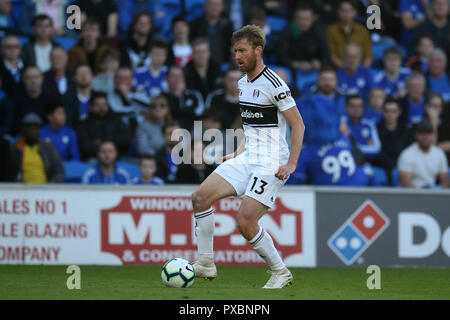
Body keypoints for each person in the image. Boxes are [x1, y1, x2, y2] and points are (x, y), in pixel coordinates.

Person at [190, 25, 305, 289]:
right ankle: (206, 262)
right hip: (248, 157)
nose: (237, 56)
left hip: (270, 163)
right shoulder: (243, 83)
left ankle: (280, 271)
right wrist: (238, 151)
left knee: (245, 222)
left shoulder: (275, 84)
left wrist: (291, 164)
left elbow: (298, 125)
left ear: (258, 50)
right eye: (235, 51)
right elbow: (251, 124)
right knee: (199, 198)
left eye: (242, 51)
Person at [77, 92, 132, 160]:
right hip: (94, 159)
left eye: (104, 105)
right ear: (90, 107)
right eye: (98, 105)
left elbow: (126, 138)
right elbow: (85, 147)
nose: (101, 108)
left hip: (118, 158)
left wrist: (104, 141)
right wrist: (105, 149)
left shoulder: (116, 120)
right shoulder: (83, 124)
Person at [276, 4, 330, 73]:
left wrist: (319, 63)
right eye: (300, 19)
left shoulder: (319, 31)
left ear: (312, 19)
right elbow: (280, 56)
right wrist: (296, 64)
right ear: (295, 19)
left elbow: (326, 55)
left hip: (315, 69)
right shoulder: (287, 31)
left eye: (307, 19)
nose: (303, 22)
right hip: (291, 69)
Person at [14, 112, 65, 183]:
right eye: (29, 127)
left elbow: (59, 172)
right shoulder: (16, 147)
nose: (32, 130)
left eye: (35, 127)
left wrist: (50, 186)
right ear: (23, 129)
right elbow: (9, 173)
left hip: (45, 189)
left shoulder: (48, 147)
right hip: (22, 190)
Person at [398, 120, 449, 188]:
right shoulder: (407, 154)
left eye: (428, 133)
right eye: (422, 134)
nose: (425, 137)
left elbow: (445, 182)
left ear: (434, 135)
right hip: (413, 195)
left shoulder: (439, 153)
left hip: (433, 193)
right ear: (416, 135)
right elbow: (406, 184)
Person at [12, 65, 59, 135]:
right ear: (23, 80)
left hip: (48, 136)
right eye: (29, 78)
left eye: (36, 77)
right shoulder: (16, 99)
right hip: (23, 136)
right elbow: (14, 125)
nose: (33, 81)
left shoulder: (51, 98)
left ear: (42, 78)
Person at [376, 98, 414, 185]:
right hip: (382, 166)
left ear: (399, 112)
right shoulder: (375, 129)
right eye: (387, 111)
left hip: (403, 165)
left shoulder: (406, 130)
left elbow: (410, 151)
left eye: (393, 111)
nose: (390, 114)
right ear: (382, 111)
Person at [326, 0, 372, 68]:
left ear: (354, 12)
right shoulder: (331, 31)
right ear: (338, 12)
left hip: (360, 69)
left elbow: (368, 56)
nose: (346, 13)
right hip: (339, 70)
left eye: (349, 10)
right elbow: (332, 55)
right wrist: (345, 70)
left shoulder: (362, 30)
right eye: (343, 10)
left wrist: (362, 70)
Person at [43, 46, 78, 127]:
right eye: (53, 58)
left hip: (72, 126)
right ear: (50, 60)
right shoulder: (43, 78)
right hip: (49, 126)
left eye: (59, 57)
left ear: (66, 59)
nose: (56, 60)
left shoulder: (74, 78)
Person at [189, 0, 234, 64]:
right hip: (200, 64)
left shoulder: (228, 25)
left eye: (218, 5)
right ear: (205, 6)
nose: (214, 7)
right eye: (212, 4)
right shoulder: (195, 24)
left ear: (223, 7)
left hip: (223, 63)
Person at [164, 65, 205, 131]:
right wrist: (177, 95)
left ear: (184, 78)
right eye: (173, 76)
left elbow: (199, 114)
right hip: (169, 131)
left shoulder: (194, 95)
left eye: (180, 76)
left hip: (191, 130)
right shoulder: (162, 97)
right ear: (166, 78)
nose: (177, 79)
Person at [344, 94, 381, 160]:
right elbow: (340, 148)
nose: (356, 109)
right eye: (353, 106)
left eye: (359, 106)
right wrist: (366, 146)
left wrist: (354, 148)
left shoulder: (369, 124)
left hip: (366, 163)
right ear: (346, 108)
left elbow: (377, 149)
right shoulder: (341, 124)